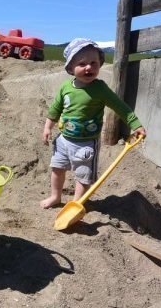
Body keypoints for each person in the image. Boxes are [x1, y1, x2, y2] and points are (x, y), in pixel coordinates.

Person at [40, 38, 146, 209]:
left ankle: (76, 203)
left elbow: (121, 107)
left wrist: (136, 124)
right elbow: (55, 109)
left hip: (86, 143)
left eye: (93, 63)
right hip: (63, 140)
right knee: (57, 169)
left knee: (84, 175)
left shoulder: (100, 89)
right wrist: (47, 127)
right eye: (82, 63)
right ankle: (55, 196)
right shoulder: (65, 87)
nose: (88, 67)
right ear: (70, 68)